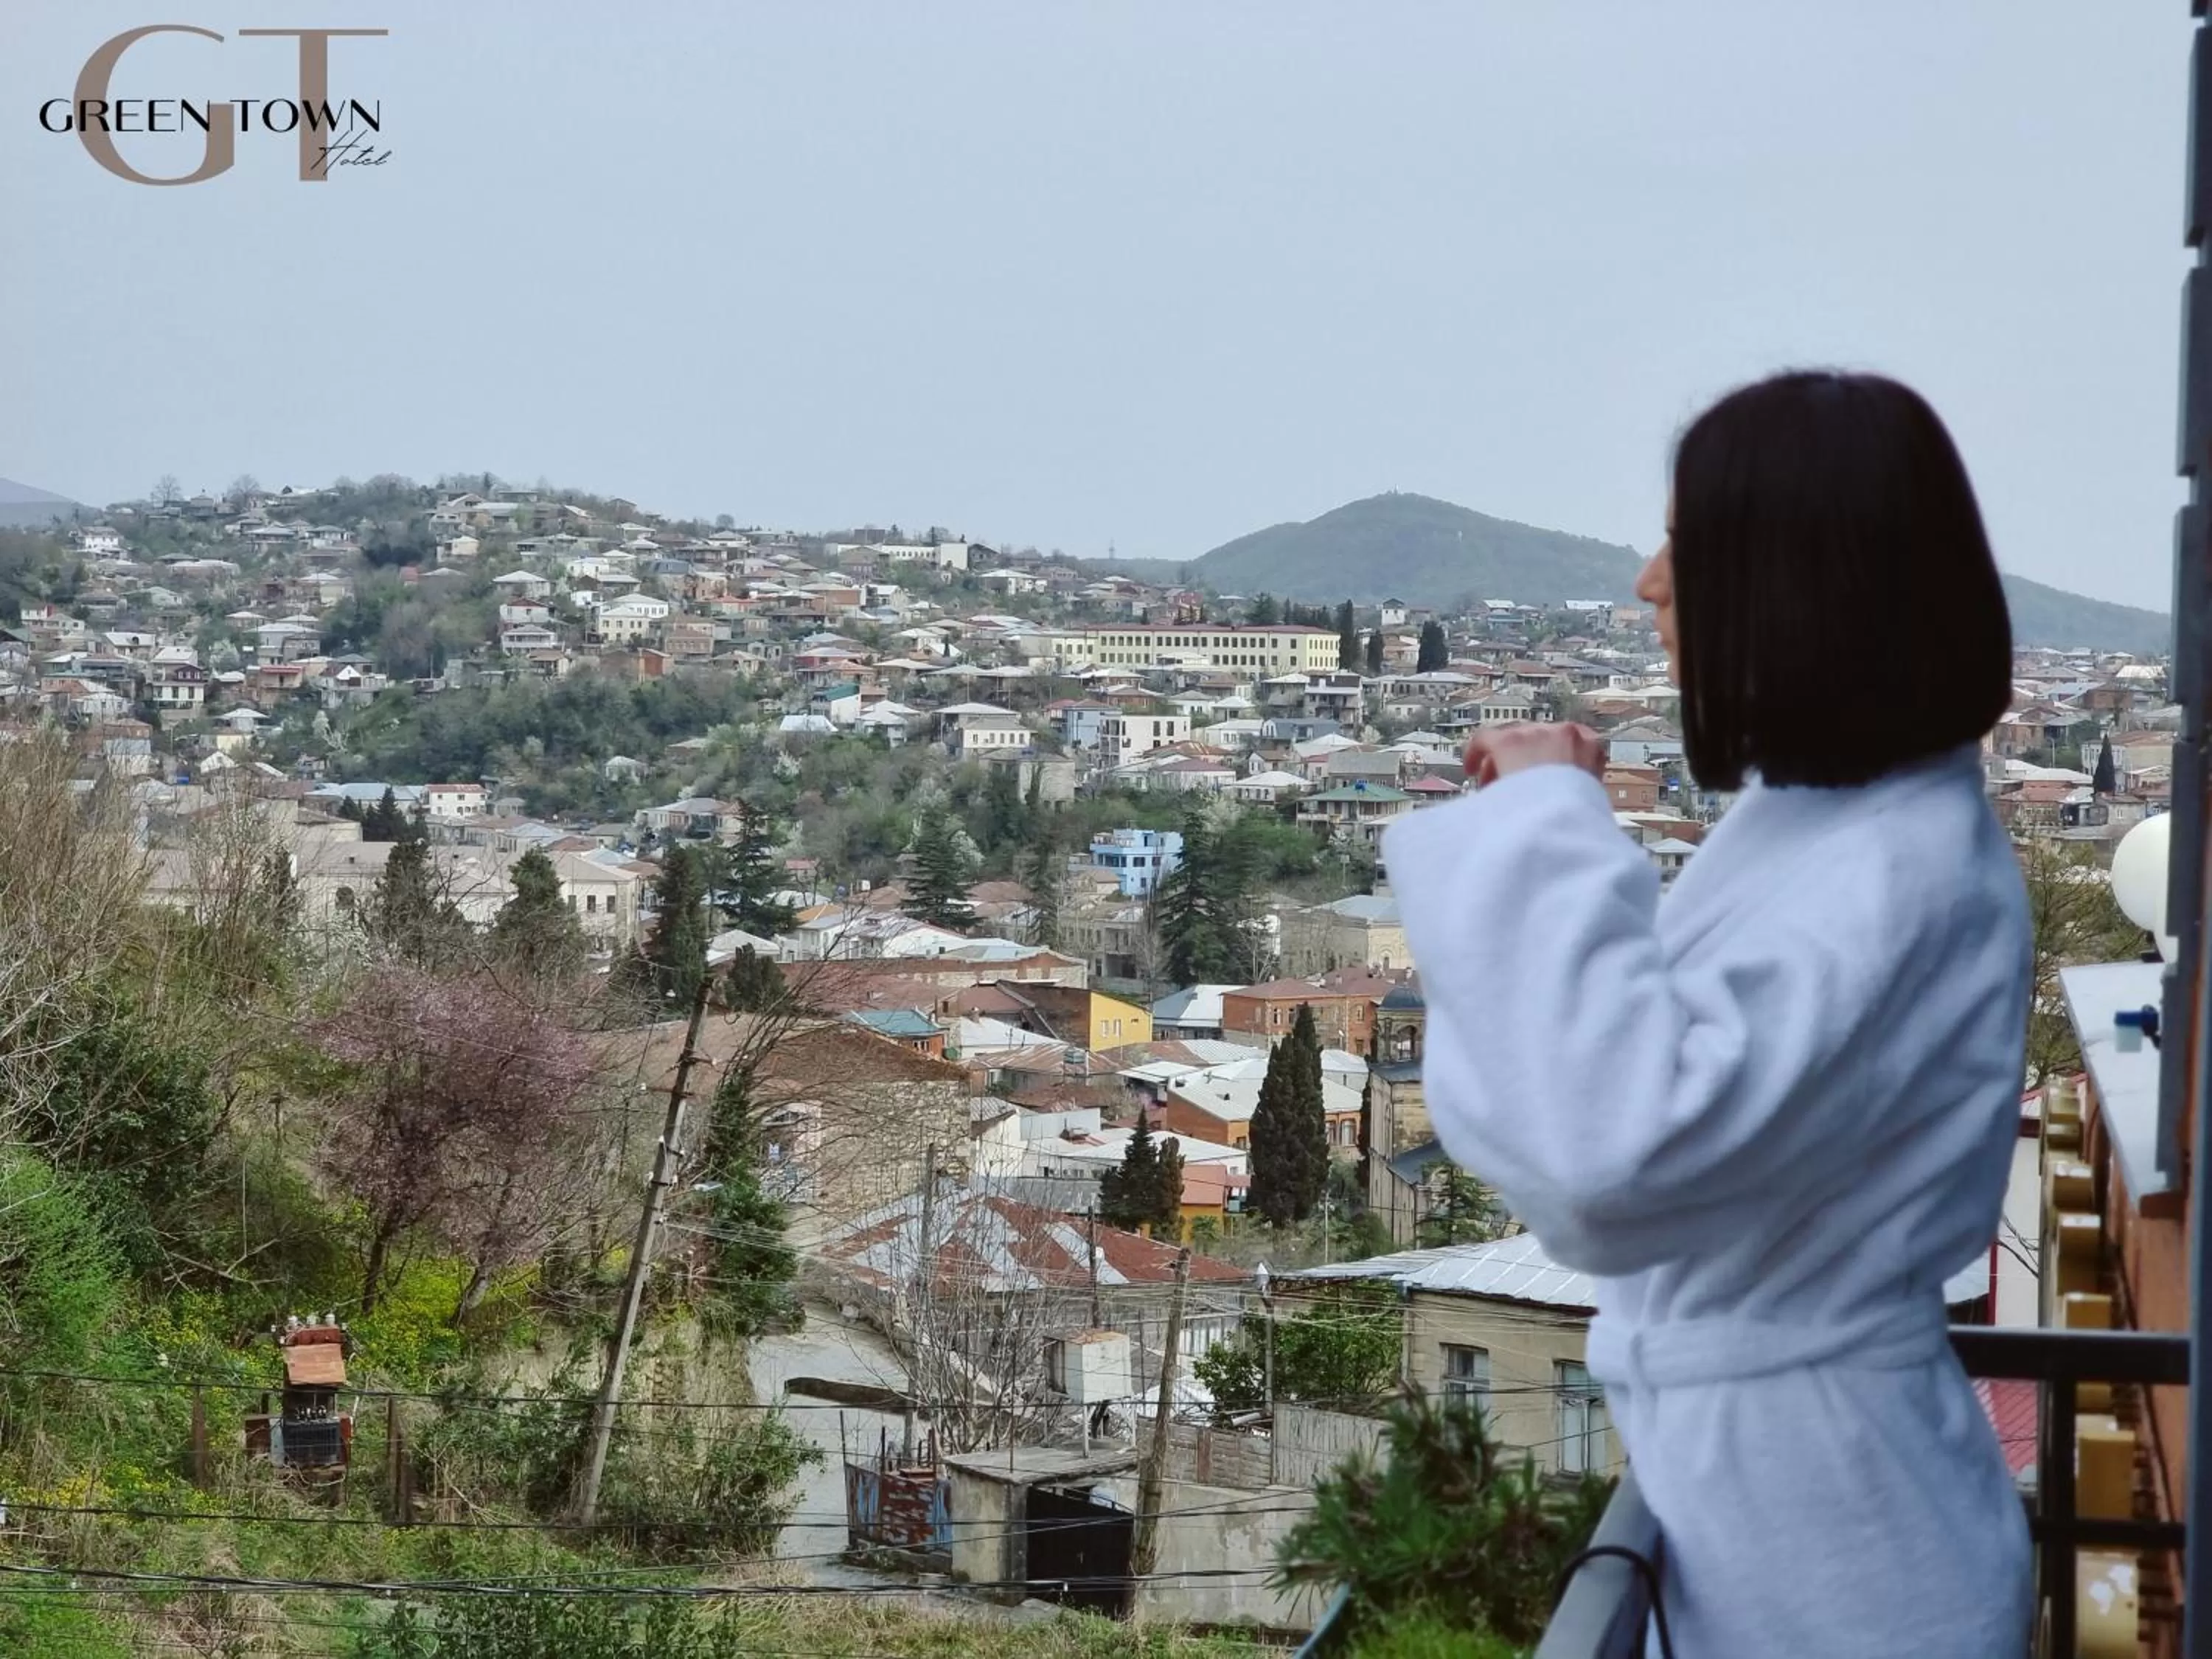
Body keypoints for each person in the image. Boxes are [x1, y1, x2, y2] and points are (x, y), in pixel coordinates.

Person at [1382, 370, 2031, 1657]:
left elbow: (1608, 1151)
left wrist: (1546, 835)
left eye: (1690, 541)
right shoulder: (1842, 830)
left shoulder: (1892, 873)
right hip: (1797, 1506)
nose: (1649, 580)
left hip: (1850, 1566)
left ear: (1799, 577)